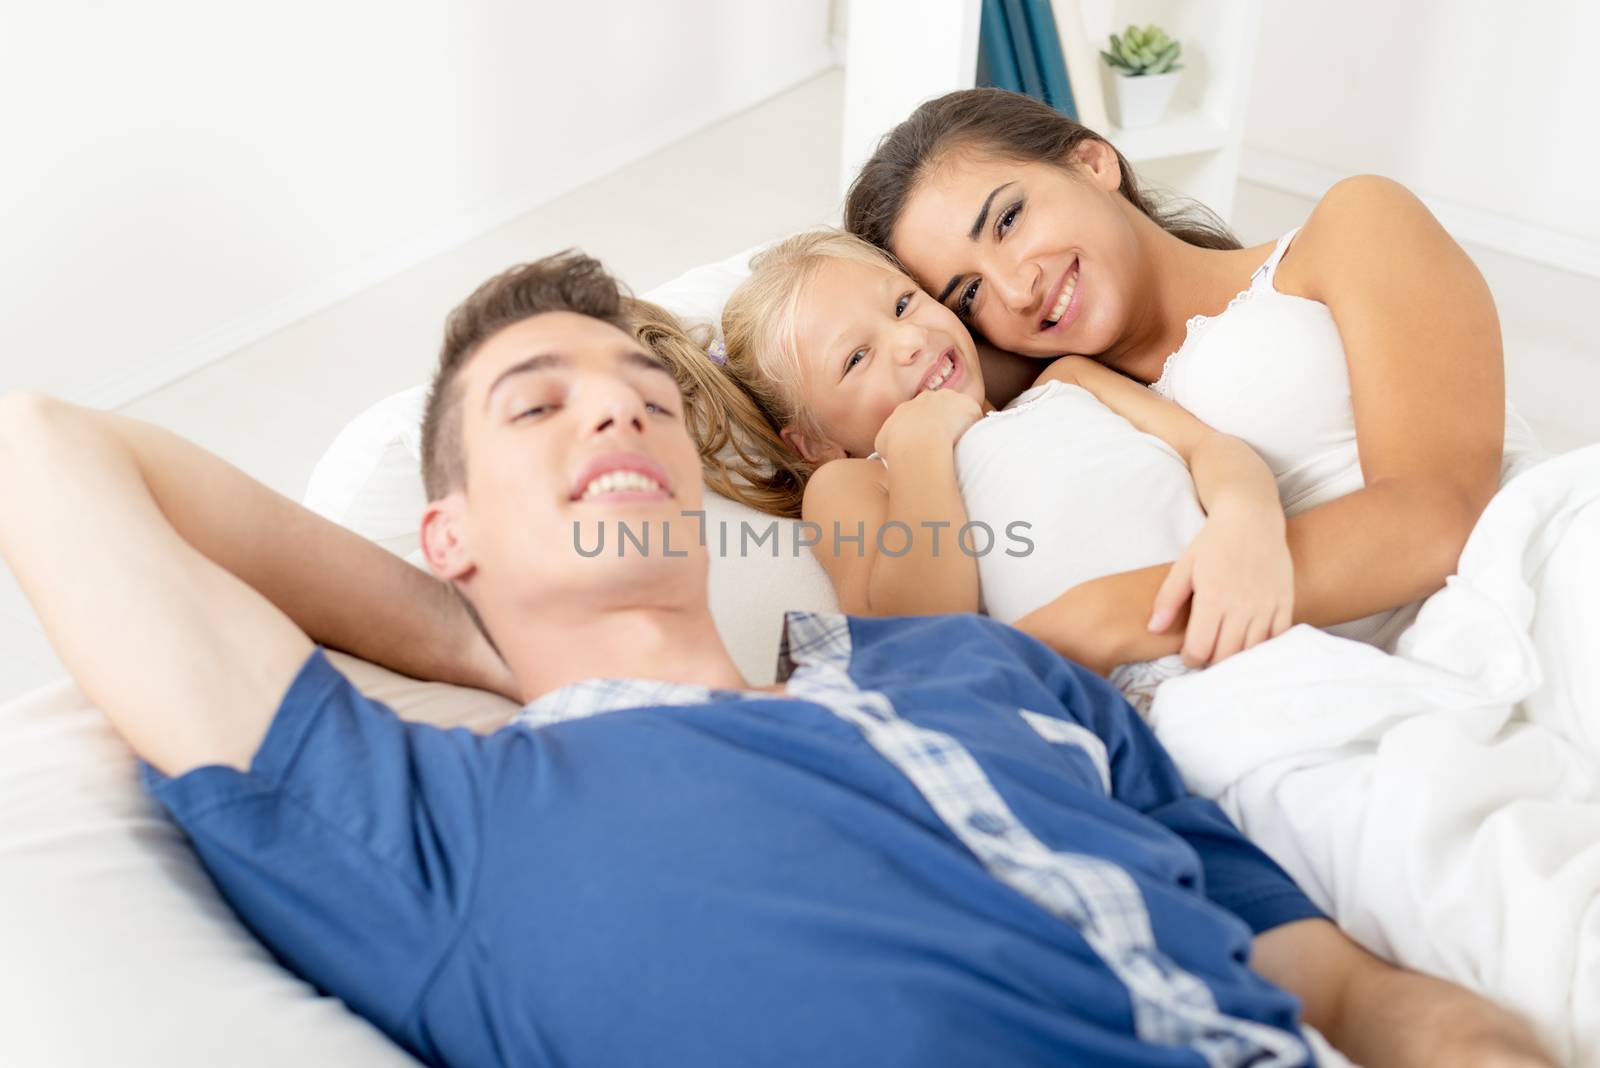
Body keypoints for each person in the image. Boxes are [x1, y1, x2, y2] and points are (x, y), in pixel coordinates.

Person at [0, 252, 1552, 1067]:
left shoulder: (976, 670)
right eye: (538, 407)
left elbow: (1311, 961)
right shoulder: (442, 827)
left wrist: (1469, 1040)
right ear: (446, 528)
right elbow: (44, 447)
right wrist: (465, 635)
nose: (616, 412)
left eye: (641, 395)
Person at [842, 87, 1544, 670]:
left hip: (1537, 588)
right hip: (1380, 702)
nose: (1016, 289)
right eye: (968, 294)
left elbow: (1440, 513)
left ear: (1092, 162)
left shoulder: (1352, 227)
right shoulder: (1072, 414)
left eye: (1010, 219)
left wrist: (1108, 618)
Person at [657, 228, 1295, 683]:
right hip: (1146, 698)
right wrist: (920, 448)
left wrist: (1247, 516)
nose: (908, 340)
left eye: (904, 303)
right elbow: (920, 629)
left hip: (1264, 623)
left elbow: (1212, 450)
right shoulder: (854, 482)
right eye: (855, 359)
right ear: (817, 441)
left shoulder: (1066, 382)